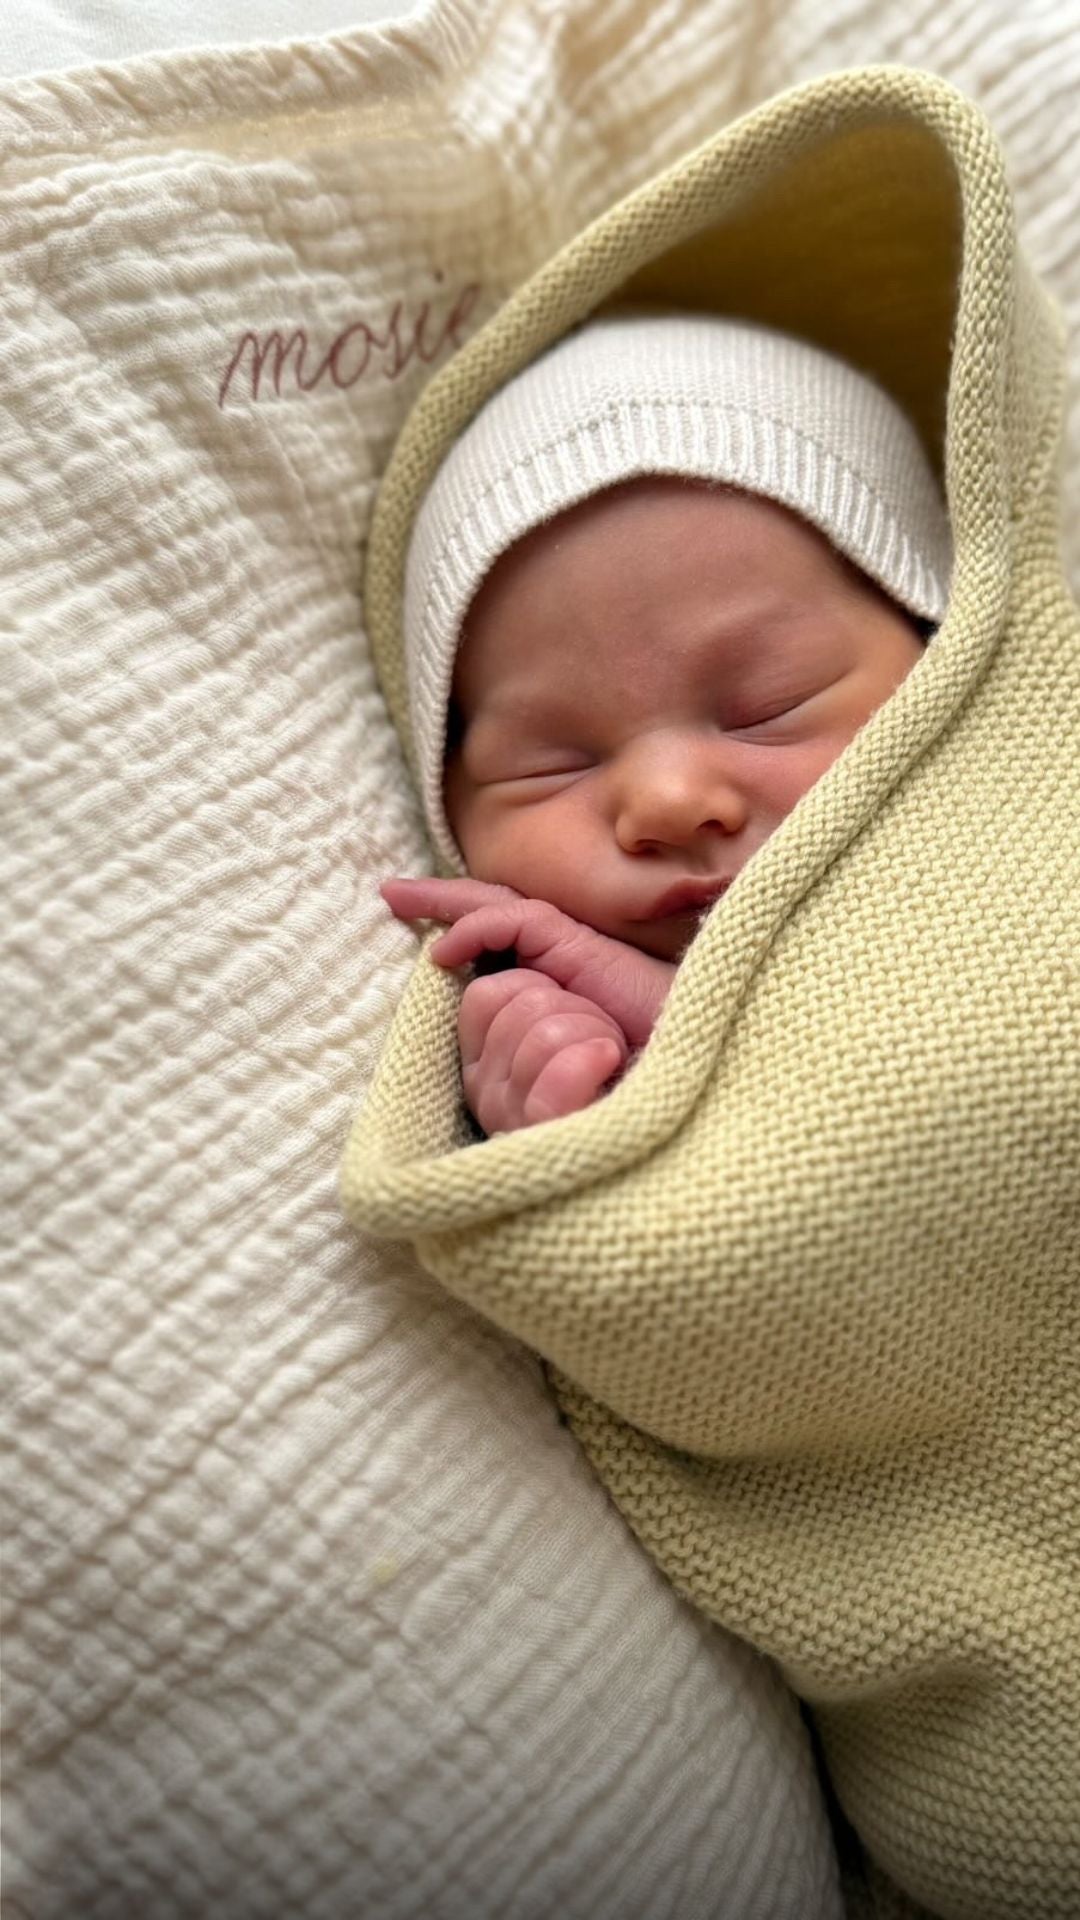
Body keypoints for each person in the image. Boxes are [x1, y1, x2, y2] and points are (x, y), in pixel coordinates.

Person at [379, 311, 949, 1133]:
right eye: (551, 762)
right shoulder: (537, 1019)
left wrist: (670, 1016)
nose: (667, 799)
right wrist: (565, 1127)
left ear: (942, 649)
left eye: (768, 706)